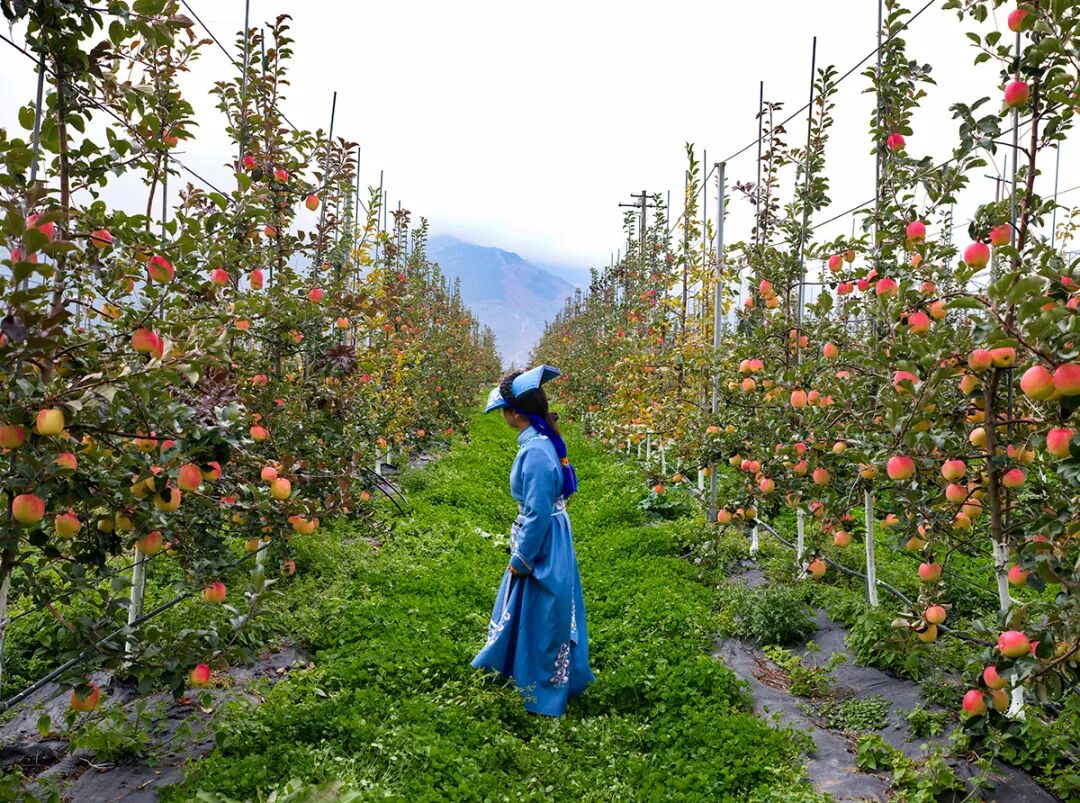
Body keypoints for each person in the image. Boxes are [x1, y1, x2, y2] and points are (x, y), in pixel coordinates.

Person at [471, 364, 594, 716]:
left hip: (543, 542)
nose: (503, 417)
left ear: (515, 413)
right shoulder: (540, 443)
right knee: (537, 608)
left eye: (504, 412)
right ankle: (521, 673)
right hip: (550, 536)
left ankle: (539, 687)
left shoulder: (536, 453)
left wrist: (522, 558)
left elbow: (539, 513)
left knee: (543, 611)